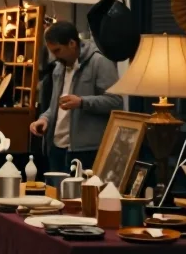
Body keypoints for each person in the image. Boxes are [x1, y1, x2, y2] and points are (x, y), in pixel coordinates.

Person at [29, 21, 122, 173]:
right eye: (52, 51)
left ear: (72, 43)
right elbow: (56, 105)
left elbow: (115, 102)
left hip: (85, 150)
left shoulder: (100, 62)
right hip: (56, 148)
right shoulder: (59, 67)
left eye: (58, 50)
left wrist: (82, 102)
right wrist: (44, 119)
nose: (55, 56)